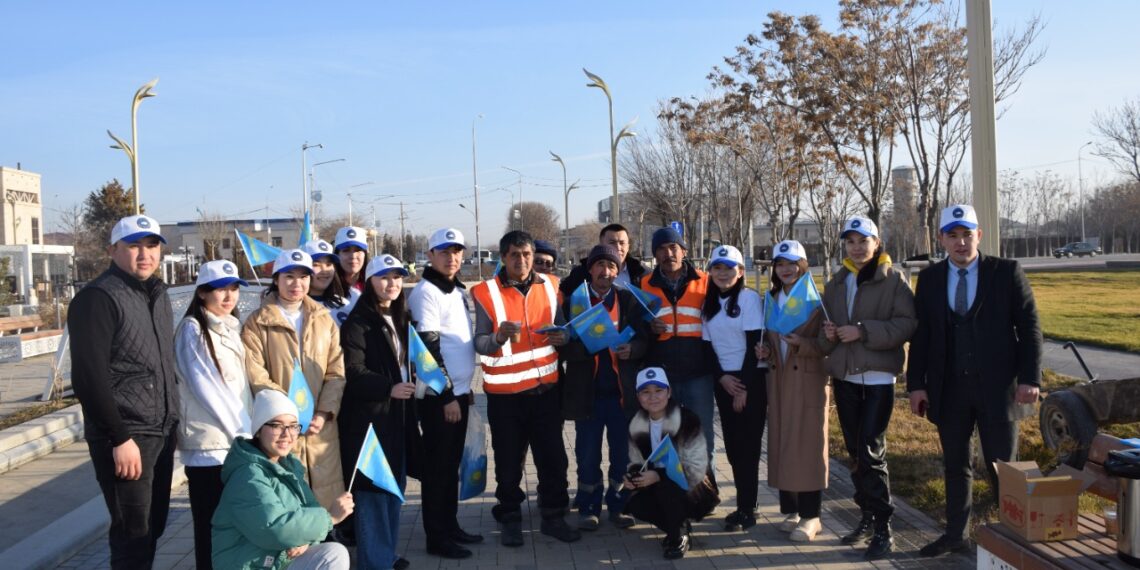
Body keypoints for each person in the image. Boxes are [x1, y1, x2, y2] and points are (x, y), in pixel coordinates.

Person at [907, 205, 1042, 557]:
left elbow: (1029, 329)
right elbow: (922, 336)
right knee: (956, 465)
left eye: (967, 234)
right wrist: (916, 384)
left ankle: (1016, 541)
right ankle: (956, 535)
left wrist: (1030, 378)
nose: (961, 242)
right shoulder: (931, 278)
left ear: (979, 236)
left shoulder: (1006, 272)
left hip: (999, 389)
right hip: (949, 389)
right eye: (952, 235)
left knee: (1005, 468)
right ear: (941, 239)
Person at [69, 214, 179, 569]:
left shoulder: (157, 295)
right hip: (127, 435)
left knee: (152, 528)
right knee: (132, 536)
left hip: (160, 430)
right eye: (133, 246)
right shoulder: (98, 298)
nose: (144, 254)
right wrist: (119, 437)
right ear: (112, 250)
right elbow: (88, 377)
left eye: (151, 246)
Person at [471, 230, 580, 547]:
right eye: (515, 255)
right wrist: (498, 338)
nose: (522, 260)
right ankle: (509, 518)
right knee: (507, 463)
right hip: (505, 399)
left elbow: (563, 328)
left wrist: (564, 337)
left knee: (554, 460)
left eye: (527, 254)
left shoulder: (551, 285)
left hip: (545, 392)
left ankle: (553, 516)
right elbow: (479, 342)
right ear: (503, 257)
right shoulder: (484, 292)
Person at [817, 217, 916, 559]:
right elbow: (823, 338)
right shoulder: (836, 283)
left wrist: (863, 331)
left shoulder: (893, 280)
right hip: (845, 379)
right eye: (851, 241)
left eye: (864, 240)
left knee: (872, 451)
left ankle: (885, 528)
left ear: (877, 242)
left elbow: (906, 324)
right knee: (856, 454)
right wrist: (828, 336)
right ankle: (867, 516)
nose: (857, 247)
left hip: (876, 380)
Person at [241, 249, 347, 511]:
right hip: (281, 427)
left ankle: (324, 546)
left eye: (304, 276)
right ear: (276, 279)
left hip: (318, 426)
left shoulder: (324, 320)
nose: (296, 284)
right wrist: (288, 415)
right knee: (287, 499)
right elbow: (256, 374)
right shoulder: (257, 323)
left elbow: (336, 372)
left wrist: (322, 413)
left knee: (323, 503)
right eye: (289, 276)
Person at [211, 390, 354, 570]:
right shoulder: (247, 475)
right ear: (258, 430)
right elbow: (274, 529)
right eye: (277, 425)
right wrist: (330, 517)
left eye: (294, 426)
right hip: (251, 565)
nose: (287, 434)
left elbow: (310, 511)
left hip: (276, 561)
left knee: (333, 553)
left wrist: (305, 540)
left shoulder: (289, 467)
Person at [560, 245, 649, 531]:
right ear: (590, 270)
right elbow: (562, 348)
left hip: (622, 396)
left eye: (611, 266)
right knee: (587, 455)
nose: (605, 272)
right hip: (587, 396)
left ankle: (619, 505)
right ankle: (588, 506)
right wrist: (586, 347)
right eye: (599, 265)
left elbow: (646, 340)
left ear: (617, 271)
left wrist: (633, 349)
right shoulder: (575, 302)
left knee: (623, 455)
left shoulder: (629, 300)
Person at [407, 227, 483, 559]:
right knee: (437, 470)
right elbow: (428, 350)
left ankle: (450, 526)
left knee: (450, 466)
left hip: (459, 393)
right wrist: (447, 396)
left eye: (457, 251)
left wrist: (462, 392)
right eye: (444, 251)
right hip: (441, 399)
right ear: (430, 255)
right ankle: (436, 537)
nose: (452, 257)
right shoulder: (427, 293)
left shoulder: (454, 290)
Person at [339, 254, 419, 570]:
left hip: (397, 417)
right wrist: (388, 387)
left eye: (397, 277)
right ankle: (374, 561)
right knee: (373, 494)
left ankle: (386, 553)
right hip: (369, 424)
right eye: (384, 277)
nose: (392, 284)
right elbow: (352, 371)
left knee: (394, 489)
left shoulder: (401, 317)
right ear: (370, 281)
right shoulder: (359, 322)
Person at [174, 259, 254, 570]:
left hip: (232, 443)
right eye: (220, 289)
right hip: (211, 448)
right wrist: (244, 433)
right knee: (211, 528)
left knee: (230, 529)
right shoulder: (193, 329)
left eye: (234, 288)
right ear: (202, 293)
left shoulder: (230, 327)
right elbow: (209, 387)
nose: (229, 296)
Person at [758, 240, 828, 542]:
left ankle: (812, 516)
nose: (785, 269)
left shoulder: (817, 301)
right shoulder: (771, 299)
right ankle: (793, 510)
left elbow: (829, 345)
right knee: (784, 444)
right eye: (780, 264)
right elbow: (773, 344)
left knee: (808, 447)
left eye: (791, 263)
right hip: (779, 382)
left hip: (808, 382)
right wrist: (765, 352)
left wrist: (805, 344)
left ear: (803, 265)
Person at [701, 245, 767, 532]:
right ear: (710, 271)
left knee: (748, 449)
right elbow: (707, 349)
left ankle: (748, 508)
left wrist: (742, 389)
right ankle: (742, 505)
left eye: (730, 268)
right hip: (725, 381)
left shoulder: (749, 299)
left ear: (740, 272)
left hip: (749, 380)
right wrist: (722, 379)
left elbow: (755, 347)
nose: (723, 273)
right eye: (718, 268)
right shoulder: (708, 302)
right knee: (732, 448)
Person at [623, 367, 719, 560]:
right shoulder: (636, 422)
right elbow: (636, 461)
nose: (653, 397)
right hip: (660, 484)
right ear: (638, 396)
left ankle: (677, 538)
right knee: (634, 503)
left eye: (659, 390)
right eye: (646, 392)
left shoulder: (687, 419)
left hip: (696, 488)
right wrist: (632, 476)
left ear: (669, 392)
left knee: (667, 486)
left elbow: (696, 467)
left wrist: (657, 475)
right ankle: (679, 526)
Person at [639, 227, 714, 458]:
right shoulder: (643, 285)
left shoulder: (706, 282)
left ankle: (705, 491)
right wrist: (649, 328)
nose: (667, 253)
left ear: (684, 250)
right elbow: (635, 326)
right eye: (661, 249)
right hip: (662, 377)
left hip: (698, 374)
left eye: (673, 247)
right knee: (664, 440)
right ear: (655, 254)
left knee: (700, 438)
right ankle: (669, 492)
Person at [560, 223, 648, 295]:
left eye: (622, 243)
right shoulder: (580, 273)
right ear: (601, 244)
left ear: (628, 247)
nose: (618, 247)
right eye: (612, 242)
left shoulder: (642, 273)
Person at [303, 239, 351, 326]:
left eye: (329, 265)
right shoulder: (293, 306)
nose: (324, 270)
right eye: (316, 265)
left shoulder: (345, 304)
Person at [333, 226, 369, 325]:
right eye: (346, 250)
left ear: (365, 254)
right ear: (337, 254)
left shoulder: (374, 285)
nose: (353, 256)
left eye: (358, 250)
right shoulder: (328, 288)